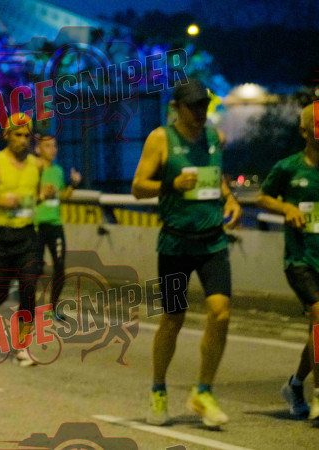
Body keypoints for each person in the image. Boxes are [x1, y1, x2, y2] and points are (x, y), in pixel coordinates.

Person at [131, 80, 241, 427]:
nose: (199, 112)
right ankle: (158, 389)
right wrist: (171, 184)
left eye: (203, 105)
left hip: (212, 243)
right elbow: (138, 188)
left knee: (221, 313)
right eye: (192, 106)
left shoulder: (214, 138)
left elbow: (215, 178)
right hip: (176, 246)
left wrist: (230, 198)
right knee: (173, 319)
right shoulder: (160, 139)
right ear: (176, 107)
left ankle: (203, 391)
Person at [0, 113, 54, 367]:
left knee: (29, 289)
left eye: (27, 136)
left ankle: (22, 347)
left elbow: (32, 197)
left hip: (27, 237)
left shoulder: (37, 166)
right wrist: (0, 202)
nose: (23, 140)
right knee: (0, 289)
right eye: (18, 135)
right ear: (7, 136)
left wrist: (43, 195)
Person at [256, 103, 319, 421]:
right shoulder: (288, 167)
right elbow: (262, 197)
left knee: (317, 330)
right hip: (300, 259)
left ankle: (295, 385)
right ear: (305, 131)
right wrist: (287, 209)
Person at [34, 134, 81, 321]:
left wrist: (73, 184)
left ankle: (53, 309)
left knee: (60, 268)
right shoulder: (33, 169)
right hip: (36, 226)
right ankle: (26, 307)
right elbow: (26, 196)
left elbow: (63, 196)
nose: (52, 149)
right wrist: (42, 194)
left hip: (55, 225)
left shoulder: (58, 171)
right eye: (47, 146)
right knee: (35, 269)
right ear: (38, 149)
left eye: (54, 146)